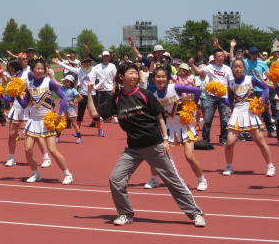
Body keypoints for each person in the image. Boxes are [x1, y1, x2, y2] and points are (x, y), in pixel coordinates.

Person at [86, 63, 206, 227]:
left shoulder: (145, 94)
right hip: (133, 149)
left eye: (136, 73)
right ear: (121, 76)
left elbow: (159, 118)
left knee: (173, 181)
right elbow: (94, 114)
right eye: (131, 73)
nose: (135, 76)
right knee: (115, 179)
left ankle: (195, 213)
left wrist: (165, 140)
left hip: (155, 145)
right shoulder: (117, 98)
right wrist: (89, 92)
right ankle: (126, 214)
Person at [144, 66, 207, 191]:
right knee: (157, 155)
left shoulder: (175, 87)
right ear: (153, 79)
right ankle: (154, 179)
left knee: (189, 156)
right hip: (167, 128)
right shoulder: (153, 95)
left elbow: (197, 91)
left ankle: (202, 180)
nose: (161, 79)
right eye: (158, 77)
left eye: (163, 76)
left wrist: (192, 107)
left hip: (184, 125)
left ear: (167, 78)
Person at [16, 58, 73, 184]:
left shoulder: (49, 82)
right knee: (27, 149)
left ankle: (67, 174)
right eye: (38, 68)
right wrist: (15, 96)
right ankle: (35, 173)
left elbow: (63, 98)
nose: (40, 71)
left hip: (47, 120)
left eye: (42, 68)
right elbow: (25, 104)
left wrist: (59, 114)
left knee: (52, 150)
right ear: (32, 70)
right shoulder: (29, 84)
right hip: (33, 120)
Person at [221, 59, 275, 177]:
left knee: (260, 141)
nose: (238, 69)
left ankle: (270, 165)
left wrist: (262, 100)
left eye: (240, 67)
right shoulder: (231, 83)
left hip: (250, 113)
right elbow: (230, 103)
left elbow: (266, 88)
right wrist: (219, 96)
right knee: (229, 143)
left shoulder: (250, 79)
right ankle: (229, 165)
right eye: (235, 67)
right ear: (232, 69)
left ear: (244, 68)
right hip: (237, 113)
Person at [189, 49, 234, 145]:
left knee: (224, 119)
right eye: (218, 56)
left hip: (224, 97)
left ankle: (223, 138)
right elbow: (199, 71)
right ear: (214, 57)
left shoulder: (227, 69)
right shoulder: (210, 67)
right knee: (208, 118)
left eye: (222, 56)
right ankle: (206, 138)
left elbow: (231, 82)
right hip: (211, 96)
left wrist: (233, 94)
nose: (220, 58)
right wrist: (192, 65)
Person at [52, 56, 100, 132]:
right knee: (81, 112)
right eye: (85, 62)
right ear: (82, 63)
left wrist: (95, 87)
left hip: (92, 94)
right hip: (83, 93)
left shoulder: (94, 70)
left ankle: (99, 129)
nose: (87, 63)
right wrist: (58, 62)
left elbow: (102, 78)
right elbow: (67, 67)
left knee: (95, 112)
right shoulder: (79, 70)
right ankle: (78, 130)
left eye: (88, 61)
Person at [241, 47, 276, 137]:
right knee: (245, 109)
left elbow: (268, 74)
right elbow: (232, 58)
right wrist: (232, 47)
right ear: (249, 54)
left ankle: (270, 130)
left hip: (259, 90)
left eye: (256, 53)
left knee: (264, 110)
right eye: (252, 53)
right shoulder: (245, 62)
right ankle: (245, 130)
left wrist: (266, 81)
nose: (254, 55)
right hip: (248, 90)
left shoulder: (262, 63)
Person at [93, 51, 118, 130]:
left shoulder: (112, 66)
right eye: (104, 56)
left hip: (109, 87)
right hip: (100, 88)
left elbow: (115, 78)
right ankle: (101, 117)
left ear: (109, 57)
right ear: (102, 57)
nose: (106, 57)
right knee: (100, 103)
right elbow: (92, 73)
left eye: (107, 56)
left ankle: (114, 117)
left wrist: (114, 87)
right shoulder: (98, 66)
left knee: (111, 103)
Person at [57, 74, 83, 144]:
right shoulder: (63, 87)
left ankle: (79, 138)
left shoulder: (73, 90)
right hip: (63, 108)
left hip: (70, 109)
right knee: (61, 123)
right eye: (65, 81)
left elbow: (80, 97)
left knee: (74, 123)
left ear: (70, 82)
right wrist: (50, 75)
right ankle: (57, 138)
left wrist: (75, 102)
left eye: (67, 81)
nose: (65, 83)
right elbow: (56, 83)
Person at [194, 64, 209, 131]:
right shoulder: (196, 78)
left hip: (206, 97)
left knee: (205, 111)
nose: (203, 72)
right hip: (199, 97)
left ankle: (205, 124)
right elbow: (195, 87)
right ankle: (197, 124)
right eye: (201, 70)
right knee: (198, 111)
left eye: (204, 70)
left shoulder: (209, 78)